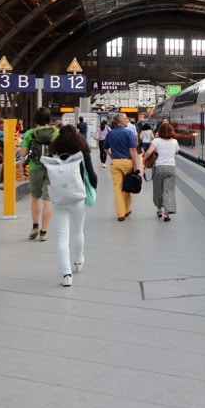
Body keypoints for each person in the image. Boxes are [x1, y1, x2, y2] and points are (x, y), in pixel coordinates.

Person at [47, 125, 98, 287]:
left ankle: (66, 274)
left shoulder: (53, 150)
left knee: (62, 236)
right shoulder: (82, 149)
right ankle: (78, 261)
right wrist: (94, 185)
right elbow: (91, 173)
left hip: (58, 198)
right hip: (77, 196)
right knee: (78, 231)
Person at [19, 107, 58, 242]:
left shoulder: (30, 133)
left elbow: (23, 153)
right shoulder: (56, 132)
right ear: (49, 119)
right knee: (47, 199)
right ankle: (43, 232)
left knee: (36, 198)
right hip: (52, 169)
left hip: (36, 167)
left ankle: (35, 226)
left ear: (35, 119)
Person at [106, 113, 140, 221]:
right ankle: (127, 209)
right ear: (120, 122)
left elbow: (105, 148)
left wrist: (112, 156)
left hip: (115, 163)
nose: (127, 120)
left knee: (117, 188)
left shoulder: (110, 134)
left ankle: (120, 214)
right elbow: (132, 150)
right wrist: (135, 164)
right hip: (127, 162)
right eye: (126, 119)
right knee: (127, 186)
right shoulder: (128, 132)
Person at [143, 121, 179, 222]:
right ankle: (166, 214)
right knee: (169, 190)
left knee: (158, 189)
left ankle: (159, 209)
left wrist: (143, 160)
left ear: (160, 131)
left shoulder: (156, 141)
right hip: (171, 168)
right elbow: (176, 152)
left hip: (158, 168)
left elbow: (149, 152)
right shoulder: (175, 142)